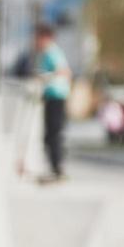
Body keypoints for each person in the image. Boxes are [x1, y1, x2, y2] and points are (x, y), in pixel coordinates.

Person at [34, 23, 71, 182]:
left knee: (53, 134)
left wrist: (46, 77)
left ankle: (57, 169)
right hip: (52, 97)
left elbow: (64, 71)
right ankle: (54, 167)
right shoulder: (47, 53)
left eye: (38, 38)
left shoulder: (51, 52)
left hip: (56, 97)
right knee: (50, 135)